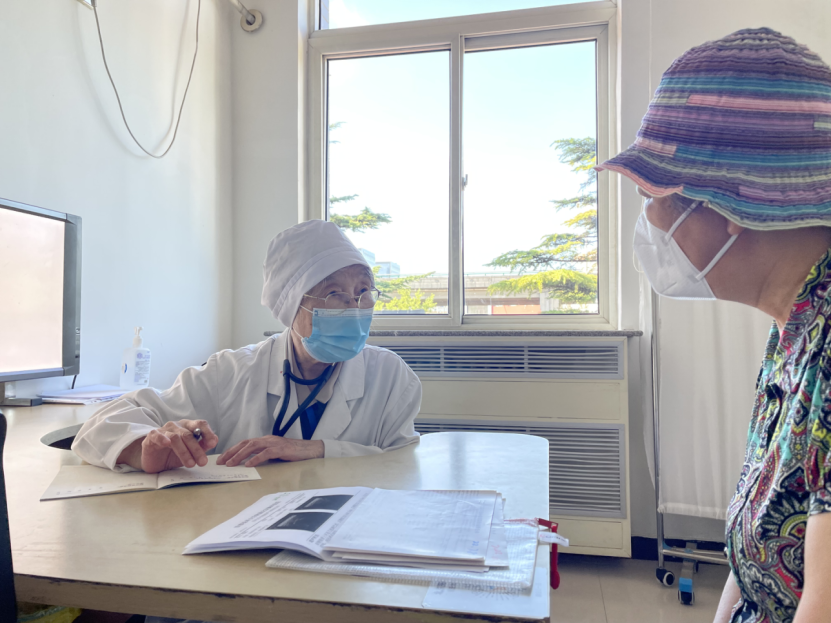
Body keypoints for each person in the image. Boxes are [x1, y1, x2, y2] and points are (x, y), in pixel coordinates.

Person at [597, 28, 831, 623]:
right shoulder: (794, 328)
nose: (649, 220)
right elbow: (754, 551)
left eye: (654, 194)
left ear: (726, 205)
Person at [72, 219, 421, 474]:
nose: (355, 307)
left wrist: (318, 450)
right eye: (333, 293)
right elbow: (101, 424)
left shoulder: (391, 377)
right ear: (290, 307)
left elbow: (406, 466)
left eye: (363, 291)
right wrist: (144, 448)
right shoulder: (230, 372)